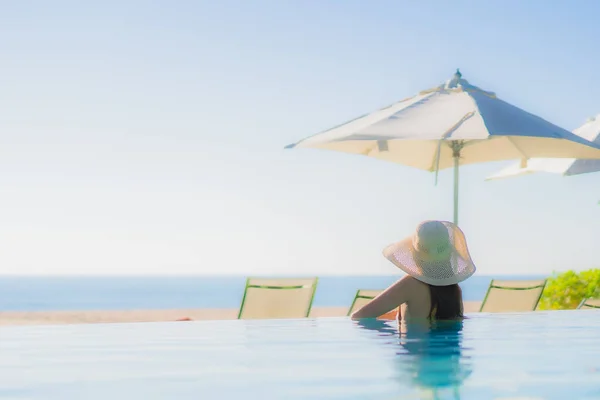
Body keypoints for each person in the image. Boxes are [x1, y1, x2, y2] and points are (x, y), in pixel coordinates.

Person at [351, 220, 476, 322]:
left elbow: (359, 317)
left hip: (415, 351)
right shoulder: (453, 289)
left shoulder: (411, 284)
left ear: (415, 254)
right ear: (449, 253)